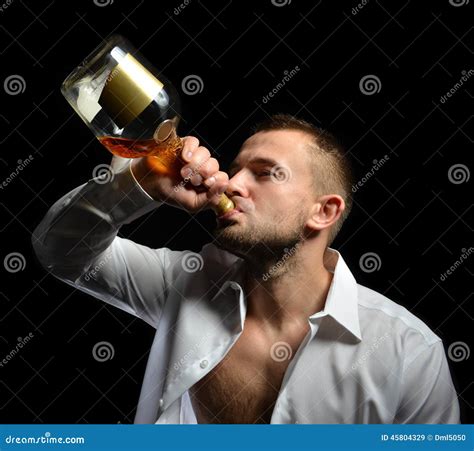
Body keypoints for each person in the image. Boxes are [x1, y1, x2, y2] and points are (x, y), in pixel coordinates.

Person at [32, 114, 460, 424]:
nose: (231, 184)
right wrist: (135, 186)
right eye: (237, 170)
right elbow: (62, 251)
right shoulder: (182, 284)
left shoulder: (410, 354)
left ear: (324, 212)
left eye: (265, 174)